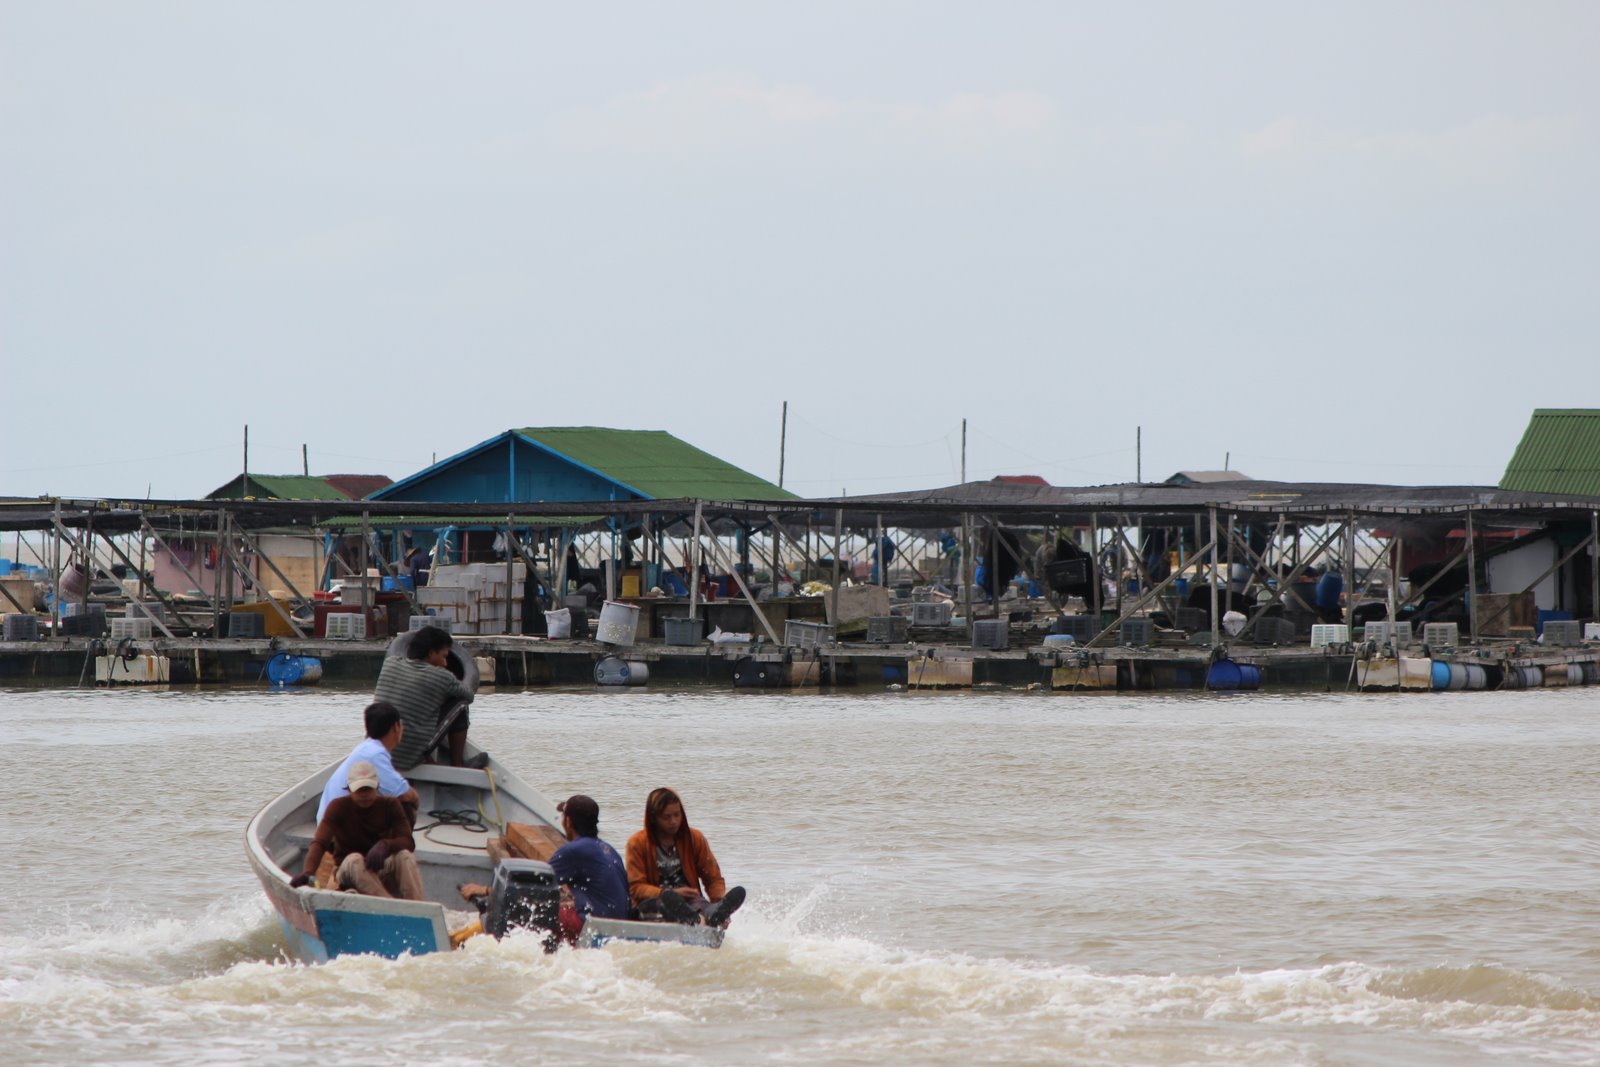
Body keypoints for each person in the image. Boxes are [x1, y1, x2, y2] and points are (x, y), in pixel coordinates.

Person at [290, 761, 424, 900]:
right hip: (347, 870)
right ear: (349, 789)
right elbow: (320, 842)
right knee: (355, 859)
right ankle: (390, 905)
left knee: (404, 856)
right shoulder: (337, 807)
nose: (364, 795)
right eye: (359, 790)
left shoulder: (390, 805)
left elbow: (408, 841)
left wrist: (386, 844)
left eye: (368, 789)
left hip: (378, 867)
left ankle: (418, 908)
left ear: (377, 786)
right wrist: (308, 872)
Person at [625, 787, 745, 928]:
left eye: (677, 815)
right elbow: (636, 888)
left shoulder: (695, 838)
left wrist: (717, 901)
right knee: (667, 903)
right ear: (653, 818)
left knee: (704, 907)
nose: (674, 821)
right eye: (666, 817)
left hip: (691, 901)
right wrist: (669, 893)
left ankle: (710, 916)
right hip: (654, 901)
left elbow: (713, 878)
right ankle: (697, 920)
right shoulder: (637, 843)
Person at [376, 624, 474, 770]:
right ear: (431, 653)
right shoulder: (442, 677)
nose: (445, 663)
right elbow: (469, 695)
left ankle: (428, 758)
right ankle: (458, 764)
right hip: (407, 759)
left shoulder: (390, 664)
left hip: (378, 753)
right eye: (444, 656)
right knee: (461, 704)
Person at [317, 702, 420, 826]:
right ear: (396, 727)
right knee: (406, 807)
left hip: (330, 822)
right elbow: (406, 794)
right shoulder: (374, 754)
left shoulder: (367, 748)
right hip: (339, 831)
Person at [548, 794, 630, 943]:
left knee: (542, 912)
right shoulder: (609, 849)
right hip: (620, 928)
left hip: (593, 927)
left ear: (568, 821)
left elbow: (540, 881)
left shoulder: (573, 850)